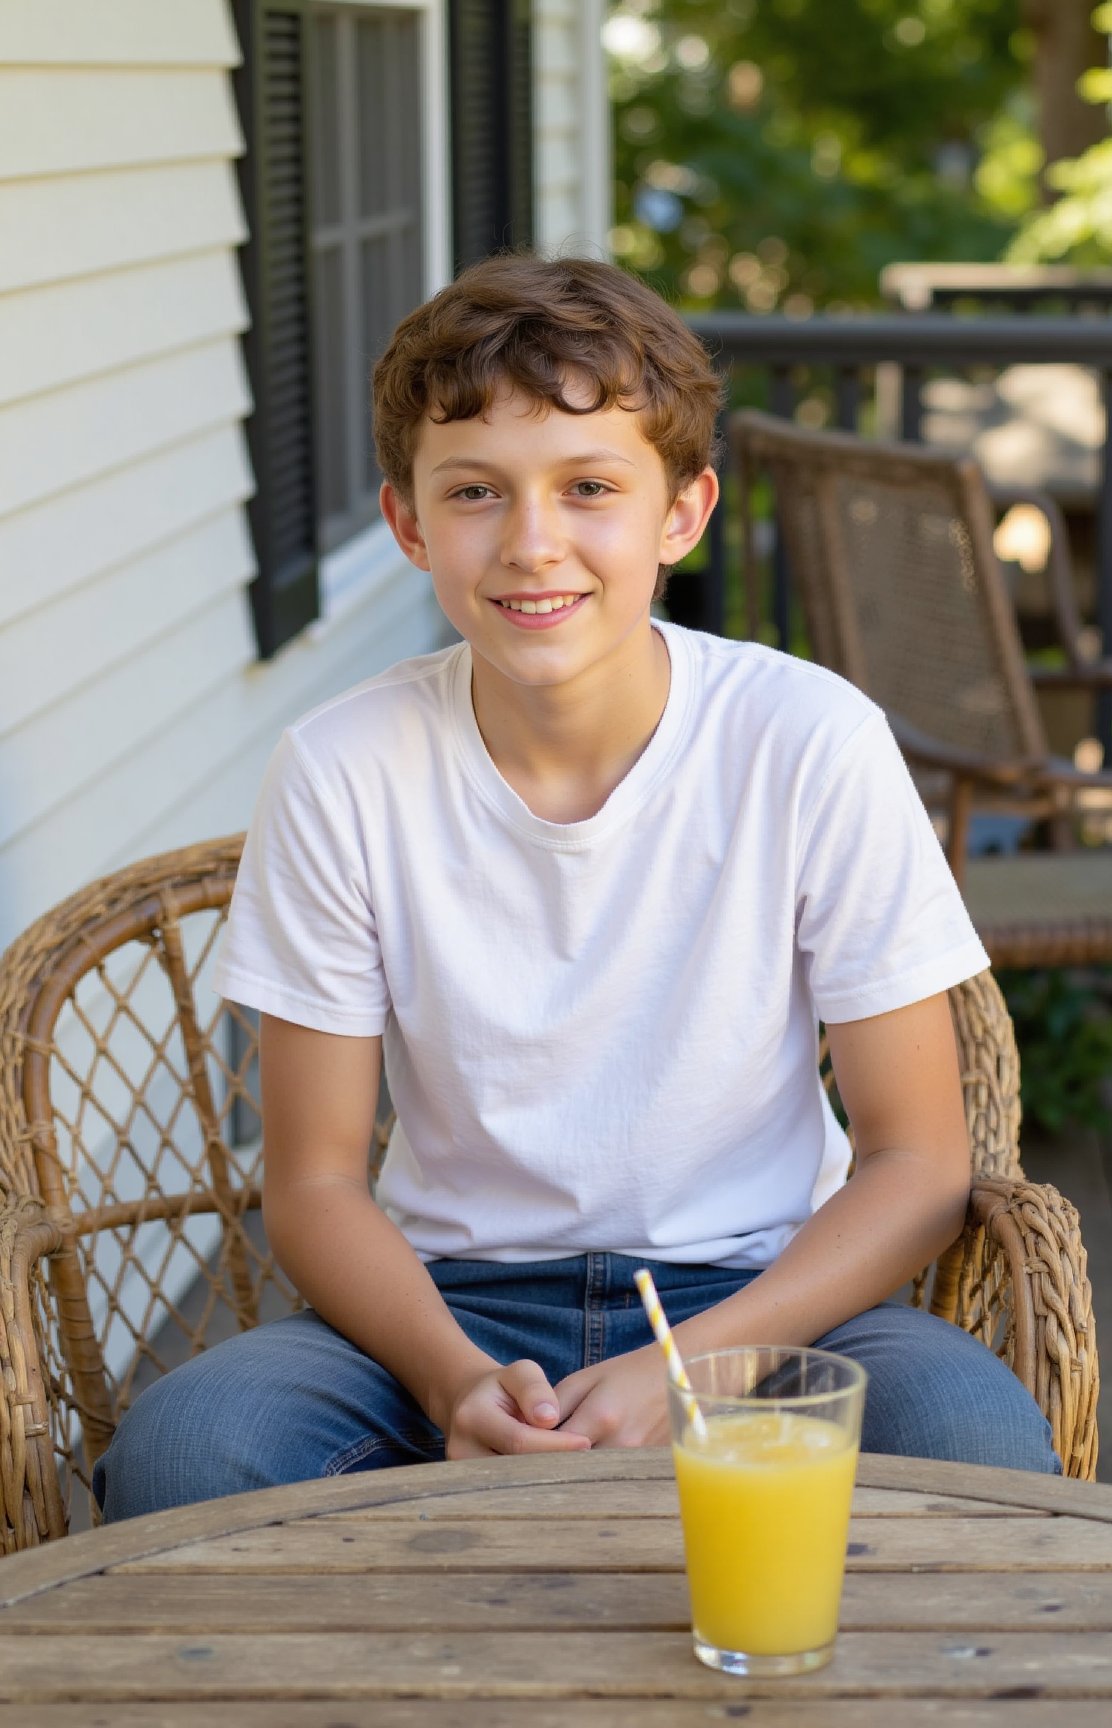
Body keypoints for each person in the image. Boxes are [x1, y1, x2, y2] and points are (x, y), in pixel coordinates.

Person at [95, 254, 1058, 1519]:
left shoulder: (807, 740)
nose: (533, 542)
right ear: (408, 523)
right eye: (477, 492)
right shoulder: (341, 769)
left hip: (760, 1290)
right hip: (448, 1303)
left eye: (590, 487)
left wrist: (692, 1365)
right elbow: (316, 1181)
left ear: (682, 514)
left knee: (973, 1444)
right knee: (187, 1451)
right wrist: (453, 1384)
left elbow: (918, 1159)